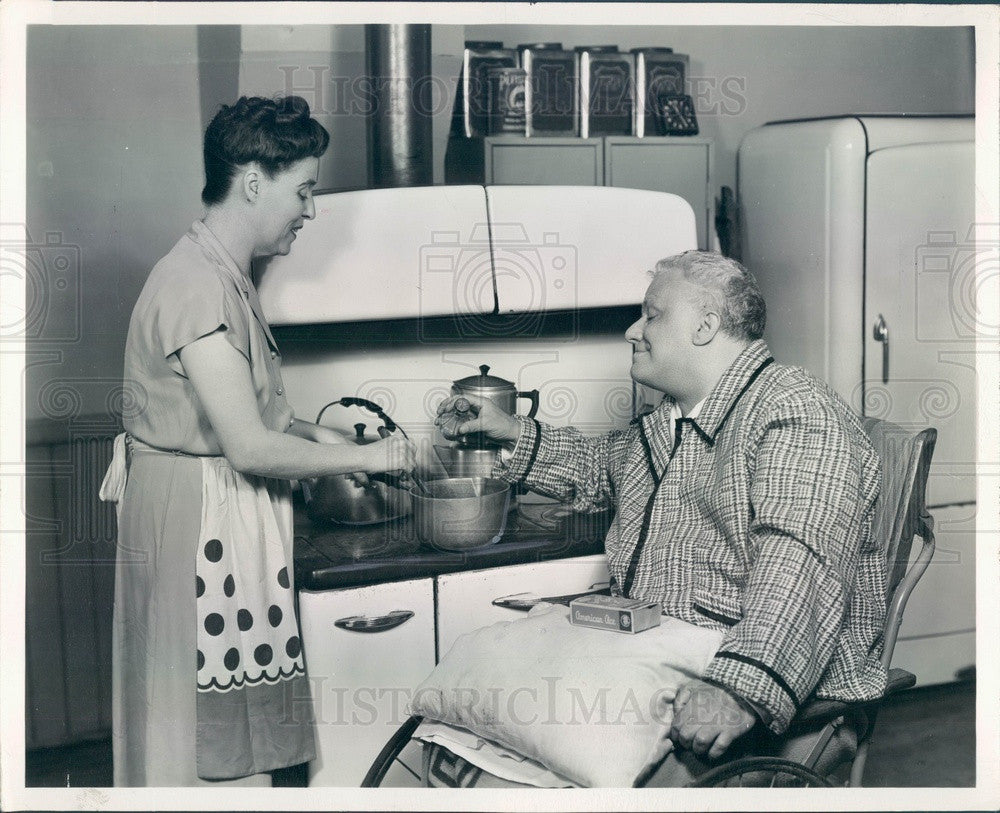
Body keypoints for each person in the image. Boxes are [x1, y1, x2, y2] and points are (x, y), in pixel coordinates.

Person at [436, 250, 884, 784]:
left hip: (750, 686)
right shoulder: (671, 418)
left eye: (652, 314)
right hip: (660, 651)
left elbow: (800, 559)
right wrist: (508, 430)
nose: (632, 330)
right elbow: (603, 465)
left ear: (705, 326)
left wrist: (739, 688)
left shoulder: (795, 409)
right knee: (480, 698)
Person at [100, 95, 415, 786]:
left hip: (215, 516)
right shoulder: (194, 285)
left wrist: (315, 430)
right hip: (198, 523)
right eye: (303, 189)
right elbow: (245, 446)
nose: (310, 209)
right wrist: (369, 454)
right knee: (199, 745)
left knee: (218, 734)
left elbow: (248, 414)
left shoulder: (222, 276)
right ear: (251, 181)